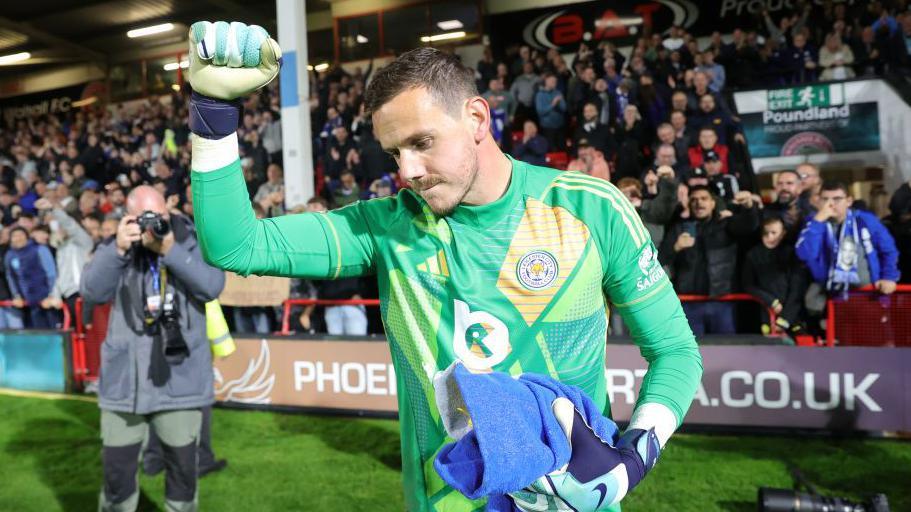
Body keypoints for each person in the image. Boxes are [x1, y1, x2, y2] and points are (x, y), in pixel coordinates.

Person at [187, 28, 701, 511]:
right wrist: (212, 113)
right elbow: (236, 246)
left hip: (568, 499)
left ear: (477, 119)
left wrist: (636, 453)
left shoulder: (591, 208)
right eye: (394, 152)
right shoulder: (386, 228)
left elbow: (675, 350)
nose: (406, 171)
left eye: (422, 143)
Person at [80, 185, 225, 512]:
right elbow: (91, 291)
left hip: (179, 378)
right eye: (143, 216)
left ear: (169, 208)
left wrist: (170, 250)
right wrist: (117, 249)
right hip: (124, 384)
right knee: (117, 473)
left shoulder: (191, 240)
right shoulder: (117, 246)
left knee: (183, 473)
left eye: (158, 216)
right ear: (127, 216)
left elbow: (212, 286)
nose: (152, 223)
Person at [660, 188, 760, 336]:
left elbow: (750, 225)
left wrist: (748, 207)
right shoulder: (679, 229)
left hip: (722, 301)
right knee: (691, 354)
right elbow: (659, 260)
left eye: (703, 198)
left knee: (725, 352)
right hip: (688, 302)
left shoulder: (726, 224)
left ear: (713, 204)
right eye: (693, 199)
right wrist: (676, 247)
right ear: (689, 204)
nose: (698, 202)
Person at [796, 181, 900, 298]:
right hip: (828, 294)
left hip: (868, 293)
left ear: (849, 201)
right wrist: (818, 221)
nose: (831, 204)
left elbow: (888, 250)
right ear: (819, 201)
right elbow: (805, 255)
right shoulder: (813, 222)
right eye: (825, 199)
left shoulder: (866, 220)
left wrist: (888, 277)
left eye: (837, 199)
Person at [742, 217, 808, 336]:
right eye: (766, 233)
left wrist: (784, 320)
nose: (769, 237)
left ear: (783, 234)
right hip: (765, 318)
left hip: (793, 319)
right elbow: (748, 285)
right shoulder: (753, 255)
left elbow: (797, 291)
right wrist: (771, 301)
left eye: (774, 233)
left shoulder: (792, 255)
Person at [5, 226, 58, 328]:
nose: (18, 238)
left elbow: (51, 274)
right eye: (14, 236)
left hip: (47, 300)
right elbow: (11, 277)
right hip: (28, 303)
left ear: (27, 236)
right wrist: (16, 295)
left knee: (52, 331)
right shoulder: (10, 255)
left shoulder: (39, 249)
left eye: (20, 235)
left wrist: (52, 294)